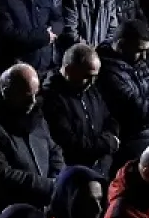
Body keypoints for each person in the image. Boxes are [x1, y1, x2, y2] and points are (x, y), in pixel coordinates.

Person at [0, 64, 65, 210]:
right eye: (27, 96)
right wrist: (48, 186)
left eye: (36, 93)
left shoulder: (35, 115)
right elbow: (3, 172)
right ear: (6, 92)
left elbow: (54, 150)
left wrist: (58, 179)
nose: (33, 101)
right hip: (13, 209)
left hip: (45, 204)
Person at [41, 44, 118, 176]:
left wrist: (111, 136)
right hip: (76, 172)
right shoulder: (51, 98)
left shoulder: (89, 88)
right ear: (69, 70)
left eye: (95, 76)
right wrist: (108, 144)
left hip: (101, 167)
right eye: (87, 76)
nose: (92, 82)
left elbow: (108, 117)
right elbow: (69, 143)